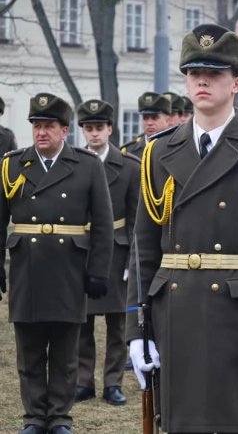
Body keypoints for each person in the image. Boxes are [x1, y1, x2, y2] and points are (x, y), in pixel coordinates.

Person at [126, 23, 238, 434]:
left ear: (237, 82)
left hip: (235, 316)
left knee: (231, 424)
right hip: (173, 313)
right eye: (193, 73)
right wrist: (136, 330)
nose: (202, 81)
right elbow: (143, 250)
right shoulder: (158, 151)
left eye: (215, 73)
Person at [0, 93, 113, 434]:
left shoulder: (87, 165)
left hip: (69, 268)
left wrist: (97, 271)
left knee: (65, 351)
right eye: (36, 126)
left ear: (65, 131)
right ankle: (35, 416)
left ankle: (60, 417)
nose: (41, 132)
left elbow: (104, 224)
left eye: (49, 126)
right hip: (27, 266)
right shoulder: (12, 165)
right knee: (30, 350)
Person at [75, 100, 140, 406]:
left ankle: (113, 382)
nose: (94, 134)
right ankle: (83, 380)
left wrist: (133, 260)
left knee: (118, 324)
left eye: (99, 128)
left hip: (116, 249)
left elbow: (137, 217)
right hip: (82, 249)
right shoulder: (74, 163)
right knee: (81, 322)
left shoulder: (129, 167)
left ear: (110, 129)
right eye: (88, 128)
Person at [120, 92, 171, 158]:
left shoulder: (175, 148)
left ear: (167, 121)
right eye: (145, 118)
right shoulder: (129, 151)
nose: (149, 123)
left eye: (154, 118)